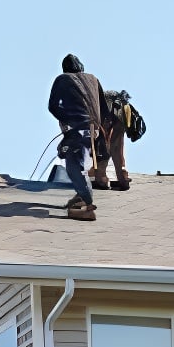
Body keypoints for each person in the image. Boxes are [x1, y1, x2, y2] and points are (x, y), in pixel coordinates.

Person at [48, 54, 110, 222]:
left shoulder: (62, 79)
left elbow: (52, 107)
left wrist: (69, 119)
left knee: (74, 165)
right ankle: (81, 195)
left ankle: (88, 206)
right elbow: (104, 109)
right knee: (77, 158)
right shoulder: (94, 80)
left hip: (78, 129)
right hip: (95, 130)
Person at [92, 89, 133, 192]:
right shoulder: (119, 103)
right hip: (121, 109)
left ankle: (101, 180)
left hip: (109, 110)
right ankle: (122, 178)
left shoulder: (97, 102)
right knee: (117, 147)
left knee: (104, 145)